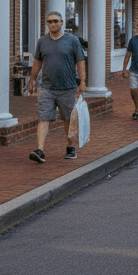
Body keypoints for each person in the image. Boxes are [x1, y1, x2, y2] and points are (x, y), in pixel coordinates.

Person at [27, 10, 86, 163]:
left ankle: (71, 147)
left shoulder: (72, 40)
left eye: (55, 21)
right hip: (47, 87)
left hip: (68, 87)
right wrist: (32, 80)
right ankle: (40, 150)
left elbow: (80, 61)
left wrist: (83, 81)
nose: (52, 24)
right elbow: (37, 62)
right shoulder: (42, 41)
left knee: (68, 119)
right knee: (43, 118)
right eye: (49, 21)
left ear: (61, 23)